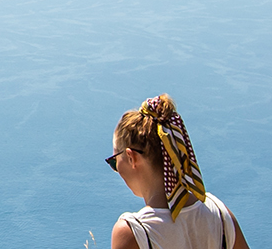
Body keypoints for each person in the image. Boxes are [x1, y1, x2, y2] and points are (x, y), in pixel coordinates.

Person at [108, 94, 251, 249]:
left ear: (132, 157)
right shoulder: (220, 215)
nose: (116, 168)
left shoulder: (134, 233)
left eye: (114, 161)